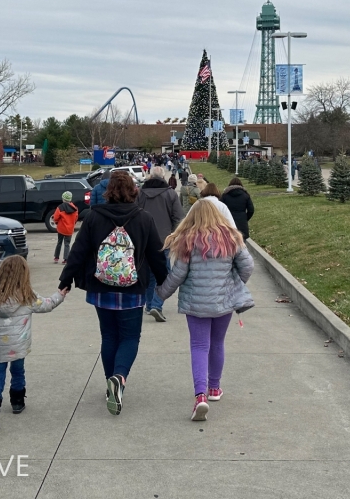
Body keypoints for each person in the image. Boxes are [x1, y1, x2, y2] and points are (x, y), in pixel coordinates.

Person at [59, 171, 167, 416]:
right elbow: (156, 255)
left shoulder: (94, 217)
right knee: (129, 338)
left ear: (107, 191)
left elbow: (78, 251)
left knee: (109, 337)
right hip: (132, 288)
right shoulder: (144, 218)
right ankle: (119, 377)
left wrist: (65, 279)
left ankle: (111, 385)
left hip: (101, 286)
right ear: (133, 191)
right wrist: (164, 282)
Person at [157, 199, 254, 421]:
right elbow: (248, 266)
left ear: (193, 216)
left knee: (200, 346)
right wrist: (234, 283)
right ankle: (214, 389)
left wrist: (161, 293)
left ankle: (200, 396)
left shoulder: (187, 240)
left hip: (196, 303)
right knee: (217, 343)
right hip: (223, 302)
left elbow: (178, 275)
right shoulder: (231, 238)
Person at [0, 256, 68, 431]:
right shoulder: (27, 296)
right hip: (18, 346)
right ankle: (17, 401)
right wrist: (60, 295)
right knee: (18, 372)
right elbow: (47, 304)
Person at [136, 166, 184, 322]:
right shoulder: (170, 193)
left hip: (143, 241)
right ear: (163, 177)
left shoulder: (140, 193)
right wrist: (174, 235)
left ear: (150, 176)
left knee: (149, 275)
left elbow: (134, 213)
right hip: (164, 241)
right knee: (165, 275)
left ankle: (150, 305)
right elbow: (178, 218)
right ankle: (156, 304)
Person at [52, 191, 78, 264]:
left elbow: (55, 217)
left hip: (61, 228)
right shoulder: (75, 208)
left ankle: (56, 257)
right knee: (67, 244)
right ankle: (66, 259)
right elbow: (76, 218)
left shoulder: (60, 207)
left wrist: (57, 222)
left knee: (59, 242)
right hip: (69, 230)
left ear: (63, 199)